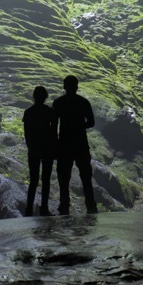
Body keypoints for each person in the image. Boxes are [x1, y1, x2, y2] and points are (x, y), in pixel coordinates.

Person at [53, 74, 97, 214]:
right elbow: (91, 122)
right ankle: (90, 205)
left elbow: (54, 126)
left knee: (63, 177)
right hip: (80, 143)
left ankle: (64, 205)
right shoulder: (84, 102)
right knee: (85, 175)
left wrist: (55, 144)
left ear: (64, 86)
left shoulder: (58, 103)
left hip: (64, 143)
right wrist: (79, 126)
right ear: (77, 87)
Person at [22, 85, 56, 216]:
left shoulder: (28, 112)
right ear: (45, 97)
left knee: (34, 180)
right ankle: (44, 208)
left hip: (34, 149)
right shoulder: (50, 111)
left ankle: (29, 209)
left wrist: (30, 147)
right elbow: (54, 132)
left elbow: (27, 133)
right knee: (46, 179)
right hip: (47, 148)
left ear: (34, 97)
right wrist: (54, 148)